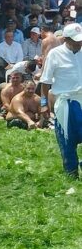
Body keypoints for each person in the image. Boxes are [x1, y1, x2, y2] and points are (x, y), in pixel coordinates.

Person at [39, 22, 82, 177]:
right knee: (67, 138)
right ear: (66, 39)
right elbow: (45, 81)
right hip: (65, 102)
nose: (79, 43)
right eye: (76, 40)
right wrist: (44, 103)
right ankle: (71, 172)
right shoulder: (55, 54)